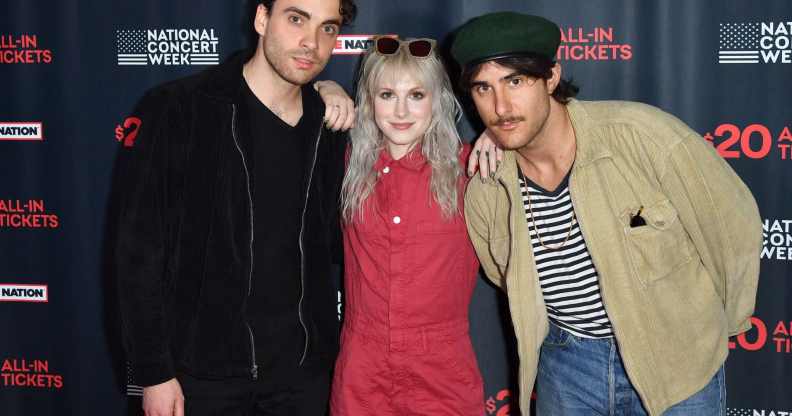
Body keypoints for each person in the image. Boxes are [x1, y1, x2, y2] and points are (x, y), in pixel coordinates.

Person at [455, 12, 762, 416]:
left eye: (516, 81)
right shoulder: (487, 189)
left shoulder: (642, 136)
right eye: (484, 88)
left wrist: (710, 330)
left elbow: (731, 226)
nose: (501, 106)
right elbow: (501, 272)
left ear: (551, 77)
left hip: (676, 362)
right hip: (566, 370)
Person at [113, 0, 358, 415]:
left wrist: (328, 90)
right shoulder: (180, 108)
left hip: (303, 379)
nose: (312, 43)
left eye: (328, 28)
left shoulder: (329, 125)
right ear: (262, 18)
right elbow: (139, 252)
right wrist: (154, 373)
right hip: (202, 378)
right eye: (296, 19)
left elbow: (338, 241)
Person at [329, 36, 484, 415]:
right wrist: (324, 87)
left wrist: (500, 138)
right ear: (369, 101)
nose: (401, 110)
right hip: (362, 369)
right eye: (387, 95)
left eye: (416, 95)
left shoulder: (472, 169)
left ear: (437, 100)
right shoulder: (344, 165)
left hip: (443, 370)